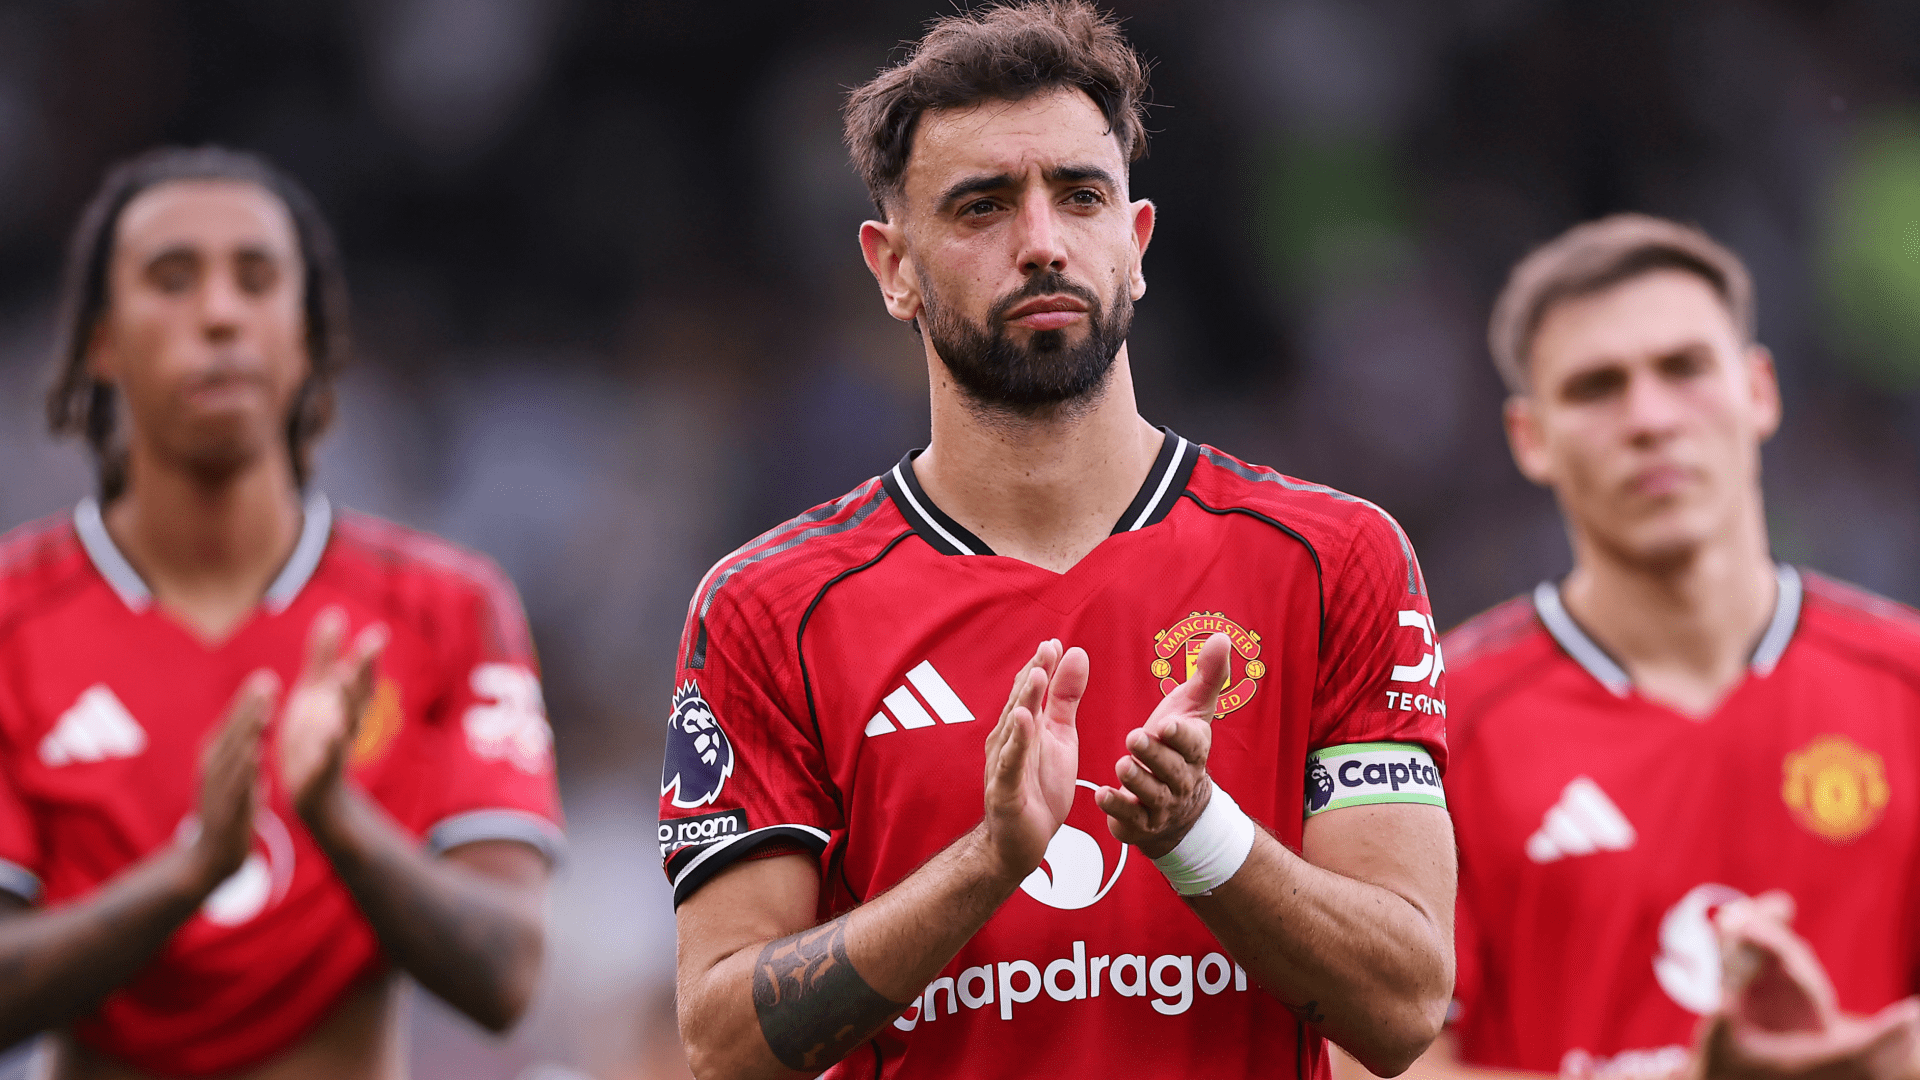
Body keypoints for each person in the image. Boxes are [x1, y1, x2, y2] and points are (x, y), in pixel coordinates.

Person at [659, 3, 1456, 1077]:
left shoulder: (1334, 559)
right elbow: (722, 1044)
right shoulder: (771, 607)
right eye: (982, 207)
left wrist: (1200, 835)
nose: (1041, 243)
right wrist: (988, 863)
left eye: (1080, 196)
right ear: (893, 268)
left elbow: (1406, 1005)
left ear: (1136, 243)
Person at [0, 146, 564, 1079]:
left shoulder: (448, 609)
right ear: (102, 343)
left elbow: (506, 974)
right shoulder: (13, 618)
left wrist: (335, 815)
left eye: (257, 280)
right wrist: (188, 877)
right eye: (172, 279)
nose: (220, 314)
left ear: (305, 342)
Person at [1414, 214, 1920, 1080]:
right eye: (1596, 388)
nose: (1649, 418)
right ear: (1530, 438)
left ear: (1759, 390)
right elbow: (1365, 1063)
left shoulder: (1907, 686)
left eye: (1684, 369)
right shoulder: (1435, 728)